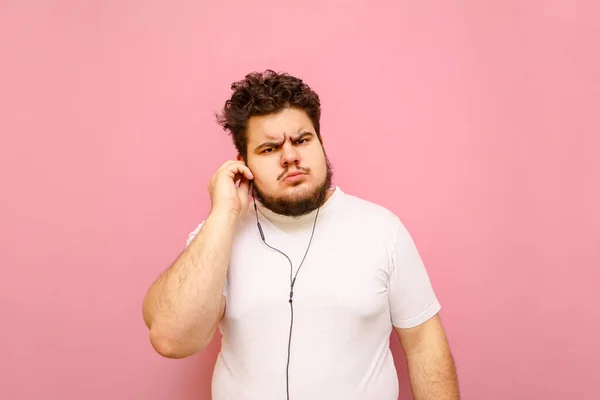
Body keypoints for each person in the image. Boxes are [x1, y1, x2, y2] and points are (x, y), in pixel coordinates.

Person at [142, 70, 460, 399]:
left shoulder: (382, 229)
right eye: (268, 149)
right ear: (243, 164)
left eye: (302, 140)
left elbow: (425, 346)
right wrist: (223, 213)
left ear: (321, 144)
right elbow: (171, 339)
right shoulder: (217, 237)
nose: (290, 156)